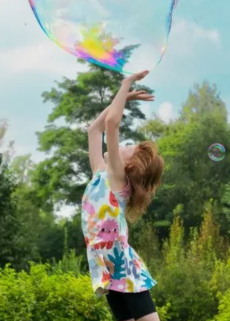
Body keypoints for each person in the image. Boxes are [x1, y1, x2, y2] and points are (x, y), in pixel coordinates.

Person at [82, 70, 165, 321]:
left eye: (126, 148)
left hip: (121, 262)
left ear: (128, 166)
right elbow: (94, 131)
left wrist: (125, 84)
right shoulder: (100, 173)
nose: (121, 146)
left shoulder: (118, 178)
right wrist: (121, 99)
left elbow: (111, 125)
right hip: (104, 264)